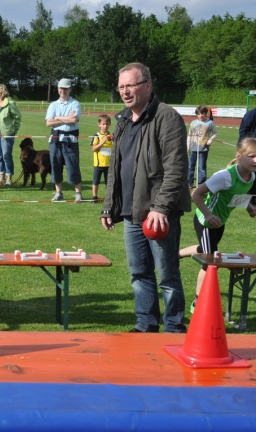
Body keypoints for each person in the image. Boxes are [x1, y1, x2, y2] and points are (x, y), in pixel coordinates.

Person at [100, 62, 191, 334]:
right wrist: (108, 207)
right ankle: (145, 325)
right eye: (121, 87)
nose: (125, 92)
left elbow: (176, 169)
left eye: (131, 85)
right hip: (130, 212)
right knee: (139, 274)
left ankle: (174, 327)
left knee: (167, 275)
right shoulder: (123, 120)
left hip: (159, 214)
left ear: (147, 86)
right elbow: (115, 170)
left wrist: (161, 207)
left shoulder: (167, 118)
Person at [179, 137, 256, 313]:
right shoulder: (224, 176)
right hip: (206, 221)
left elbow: (235, 197)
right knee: (211, 261)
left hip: (220, 221)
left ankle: (178, 254)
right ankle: (197, 303)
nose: (255, 160)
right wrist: (208, 214)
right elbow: (196, 194)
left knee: (206, 250)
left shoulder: (251, 177)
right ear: (239, 156)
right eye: (251, 156)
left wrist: (249, 207)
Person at [45, 78, 83, 202]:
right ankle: (58, 193)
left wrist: (58, 118)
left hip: (70, 140)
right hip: (55, 139)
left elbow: (73, 120)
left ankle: (78, 193)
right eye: (61, 88)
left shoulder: (75, 104)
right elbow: (49, 122)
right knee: (55, 166)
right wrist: (66, 118)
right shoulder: (53, 105)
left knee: (73, 165)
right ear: (58, 89)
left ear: (70, 89)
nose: (63, 90)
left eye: (66, 88)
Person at [0, 84, 22, 187]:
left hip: (6, 135)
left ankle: (9, 179)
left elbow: (17, 117)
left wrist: (14, 130)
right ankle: (1, 178)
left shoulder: (10, 103)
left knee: (6, 156)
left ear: (0, 93)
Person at [187, 106, 217, 188]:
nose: (200, 115)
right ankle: (189, 183)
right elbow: (189, 135)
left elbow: (215, 133)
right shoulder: (193, 123)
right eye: (198, 114)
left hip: (203, 149)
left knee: (201, 168)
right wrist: (188, 145)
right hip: (193, 148)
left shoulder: (210, 123)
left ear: (205, 113)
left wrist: (210, 140)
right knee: (190, 167)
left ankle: (200, 185)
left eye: (202, 113)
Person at [90, 114, 113, 203]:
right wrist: (102, 142)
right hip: (98, 164)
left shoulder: (112, 135)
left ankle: (108, 198)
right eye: (103, 124)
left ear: (109, 124)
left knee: (109, 183)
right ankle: (94, 197)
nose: (105, 126)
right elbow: (94, 148)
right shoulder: (96, 135)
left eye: (107, 124)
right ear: (99, 124)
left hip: (109, 164)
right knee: (96, 181)